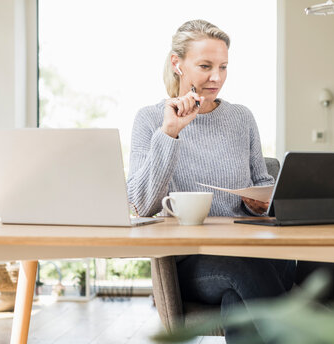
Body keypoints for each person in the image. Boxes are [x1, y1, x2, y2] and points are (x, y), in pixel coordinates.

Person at [126, 19, 295, 343]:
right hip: (192, 260)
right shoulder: (150, 120)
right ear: (178, 64)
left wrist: (261, 203)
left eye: (223, 67)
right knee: (246, 271)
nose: (216, 77)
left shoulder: (241, 117)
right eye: (205, 66)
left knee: (242, 296)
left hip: (254, 248)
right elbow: (142, 205)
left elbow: (262, 182)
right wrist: (170, 132)